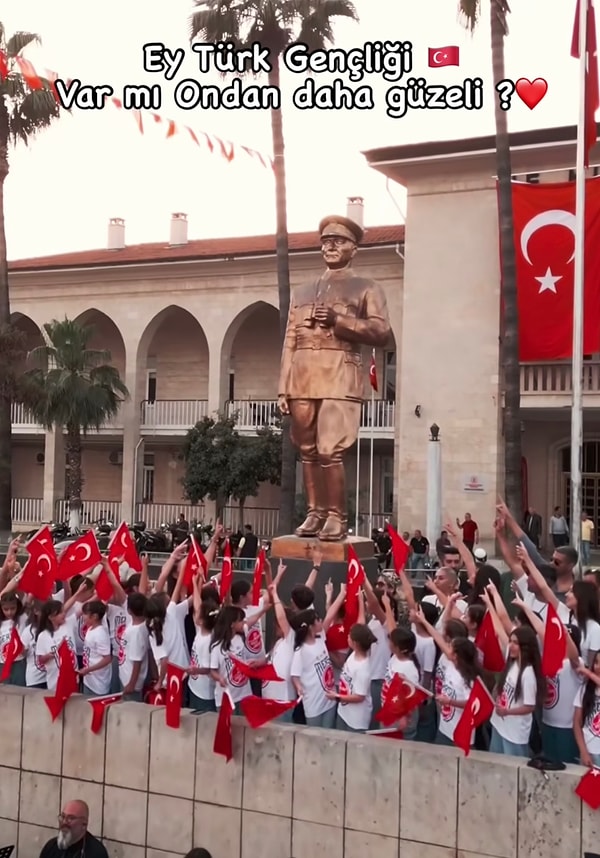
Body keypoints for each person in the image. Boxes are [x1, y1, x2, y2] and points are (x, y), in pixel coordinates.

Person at [278, 214, 391, 542]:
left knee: (330, 450)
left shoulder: (367, 288)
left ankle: (337, 517)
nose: (330, 246)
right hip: (302, 377)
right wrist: (283, 387)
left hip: (339, 376)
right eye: (326, 241)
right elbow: (289, 340)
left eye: (338, 241)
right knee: (308, 451)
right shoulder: (301, 291)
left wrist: (340, 320)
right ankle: (315, 512)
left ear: (353, 249)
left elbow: (381, 331)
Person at [39, 800, 108, 858]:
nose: (64, 822)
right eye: (63, 816)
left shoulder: (96, 853)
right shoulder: (51, 846)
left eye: (70, 818)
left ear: (84, 824)